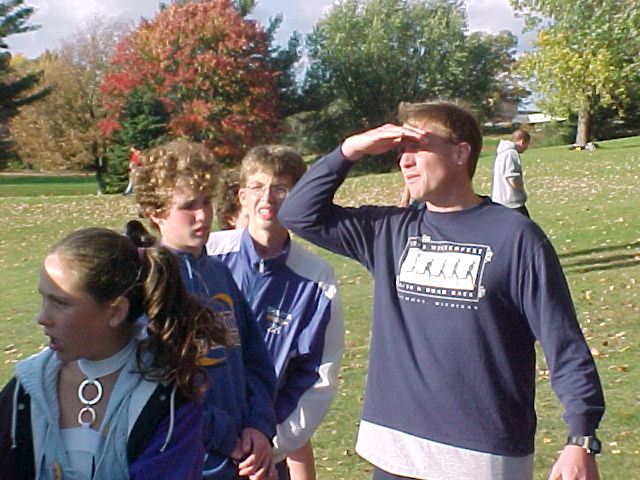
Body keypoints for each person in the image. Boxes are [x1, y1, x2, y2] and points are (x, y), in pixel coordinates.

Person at [279, 101, 605, 480]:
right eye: (401, 151)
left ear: (460, 153)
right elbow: (298, 213)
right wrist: (351, 149)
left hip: (483, 457)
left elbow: (563, 341)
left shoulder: (516, 237)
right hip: (394, 452)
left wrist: (581, 437)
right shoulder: (389, 231)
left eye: (418, 147)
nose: (405, 161)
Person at [0, 226, 230, 480]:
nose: (43, 317)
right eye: (44, 298)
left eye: (60, 303)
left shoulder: (165, 400)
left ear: (116, 311)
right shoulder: (26, 389)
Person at [133, 139, 278, 480]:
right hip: (188, 457)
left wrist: (258, 427)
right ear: (156, 212)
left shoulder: (219, 273)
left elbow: (255, 360)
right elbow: (157, 380)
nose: (202, 216)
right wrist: (225, 436)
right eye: (188, 206)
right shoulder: (150, 280)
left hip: (241, 457)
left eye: (206, 202)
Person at [207, 145, 345, 480]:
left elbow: (315, 378)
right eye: (257, 186)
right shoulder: (206, 256)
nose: (267, 198)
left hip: (264, 460)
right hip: (199, 448)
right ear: (242, 196)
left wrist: (269, 442)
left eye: (281, 188)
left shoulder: (316, 280)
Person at [491, 129, 530, 217]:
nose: (527, 148)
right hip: (511, 203)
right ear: (522, 141)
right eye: (527, 144)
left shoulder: (501, 153)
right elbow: (512, 177)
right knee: (525, 224)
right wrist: (522, 193)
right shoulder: (511, 153)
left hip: (500, 201)